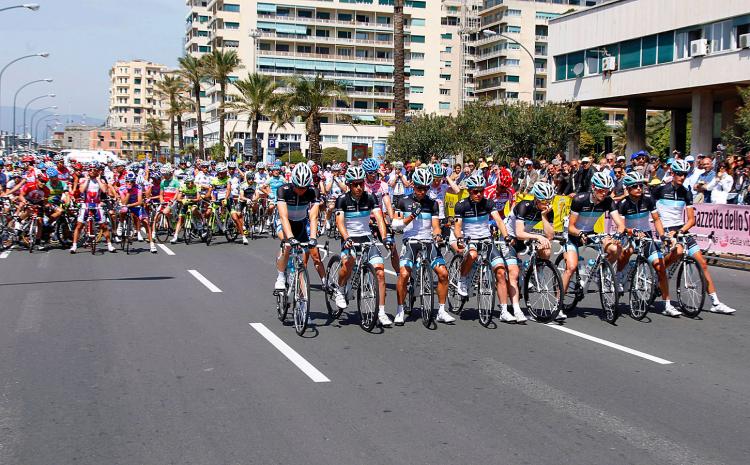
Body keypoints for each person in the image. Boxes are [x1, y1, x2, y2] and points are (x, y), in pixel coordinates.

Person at [654, 159, 735, 314]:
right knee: (676, 252)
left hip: (681, 230)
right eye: (679, 174)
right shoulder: (660, 190)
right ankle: (659, 273)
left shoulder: (686, 192)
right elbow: (650, 209)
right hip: (666, 230)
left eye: (684, 174)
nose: (682, 177)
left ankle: (715, 303)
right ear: (672, 173)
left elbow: (692, 219)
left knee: (702, 263)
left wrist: (681, 231)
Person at [391, 168, 453, 325]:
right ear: (413, 186)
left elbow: (436, 226)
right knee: (404, 274)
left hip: (427, 241)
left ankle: (441, 310)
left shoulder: (432, 204)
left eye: (426, 188)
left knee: (443, 273)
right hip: (410, 242)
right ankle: (400, 310)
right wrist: (412, 216)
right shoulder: (403, 201)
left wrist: (437, 235)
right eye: (419, 188)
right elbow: (395, 226)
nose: (422, 192)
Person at [452, 173, 517, 323]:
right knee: (473, 255)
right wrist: (460, 238)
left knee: (501, 271)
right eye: (475, 191)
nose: (479, 194)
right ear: (469, 191)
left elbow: (499, 221)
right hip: (470, 239)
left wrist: (506, 236)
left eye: (481, 190)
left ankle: (504, 311)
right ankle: (462, 279)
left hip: (487, 240)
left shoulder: (488, 203)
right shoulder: (461, 205)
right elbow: (457, 227)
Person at [334, 165, 392, 327]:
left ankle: (380, 312)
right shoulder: (342, 200)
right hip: (350, 237)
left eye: (361, 183)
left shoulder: (371, 198)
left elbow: (380, 219)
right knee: (348, 263)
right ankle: (340, 288)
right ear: (349, 184)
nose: (359, 187)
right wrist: (346, 238)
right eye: (355, 184)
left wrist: (385, 237)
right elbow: (339, 222)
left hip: (367, 238)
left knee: (380, 272)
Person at [561, 171, 625, 319]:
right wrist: (580, 234)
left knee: (616, 248)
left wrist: (618, 233)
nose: (604, 193)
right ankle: (558, 303)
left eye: (607, 190)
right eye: (601, 190)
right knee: (571, 267)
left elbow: (620, 224)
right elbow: (571, 227)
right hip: (573, 233)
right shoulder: (580, 199)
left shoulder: (608, 201)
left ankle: (600, 271)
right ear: (594, 188)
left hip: (590, 232)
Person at [615, 171, 679, 316]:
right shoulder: (623, 204)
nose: (639, 188)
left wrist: (662, 236)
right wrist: (631, 231)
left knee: (660, 267)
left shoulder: (649, 199)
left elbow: (656, 219)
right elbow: (621, 226)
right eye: (635, 186)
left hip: (646, 235)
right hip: (629, 234)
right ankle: (618, 275)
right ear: (628, 188)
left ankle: (667, 304)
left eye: (641, 185)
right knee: (628, 251)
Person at [504, 182, 557, 322]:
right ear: (536, 199)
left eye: (549, 201)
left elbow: (550, 235)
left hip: (525, 236)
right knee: (514, 273)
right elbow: (519, 233)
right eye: (544, 201)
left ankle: (536, 273)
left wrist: (545, 216)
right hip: (510, 238)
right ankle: (516, 309)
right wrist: (538, 236)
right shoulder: (524, 206)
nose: (547, 204)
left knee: (546, 247)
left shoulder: (547, 210)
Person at [273, 163, 326, 291]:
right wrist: (290, 238)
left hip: (301, 222)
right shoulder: (283, 190)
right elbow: (283, 217)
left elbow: (313, 217)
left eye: (304, 188)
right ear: (293, 183)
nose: (301, 191)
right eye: (298, 187)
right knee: (287, 244)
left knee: (304, 251)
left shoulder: (313, 192)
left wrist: (313, 238)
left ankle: (298, 280)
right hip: (283, 221)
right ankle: (280, 277)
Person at [71, 162, 115, 253]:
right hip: (86, 204)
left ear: (97, 171)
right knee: (79, 225)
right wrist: (87, 179)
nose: (91, 171)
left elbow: (104, 190)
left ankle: (110, 245)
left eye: (94, 170)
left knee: (103, 226)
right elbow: (82, 190)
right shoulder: (83, 179)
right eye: (90, 169)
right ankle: (74, 246)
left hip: (97, 205)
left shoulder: (101, 180)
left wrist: (98, 179)